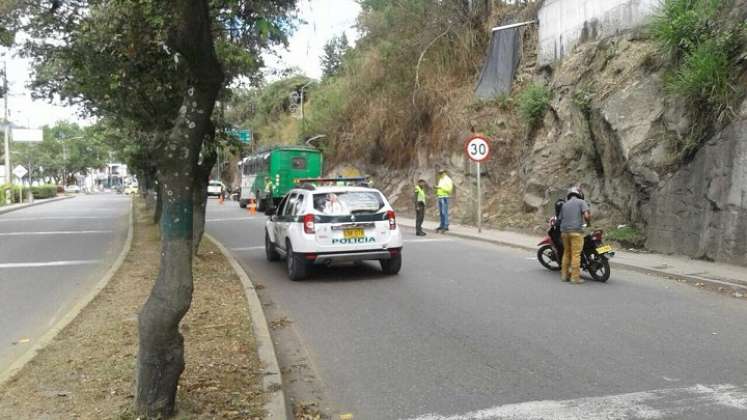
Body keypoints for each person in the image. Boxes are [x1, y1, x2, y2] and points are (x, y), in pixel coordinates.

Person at [558, 186, 591, 284]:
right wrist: (588, 222)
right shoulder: (581, 202)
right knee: (576, 254)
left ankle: (564, 276)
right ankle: (575, 278)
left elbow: (560, 219)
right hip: (576, 231)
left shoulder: (564, 205)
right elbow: (586, 215)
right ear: (579, 195)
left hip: (564, 232)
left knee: (566, 253)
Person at [435, 169, 453, 233]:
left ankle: (446, 225)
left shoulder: (448, 180)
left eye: (441, 173)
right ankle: (442, 225)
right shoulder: (441, 179)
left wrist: (440, 188)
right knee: (441, 213)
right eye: (439, 173)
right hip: (440, 197)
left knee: (444, 212)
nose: (440, 174)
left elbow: (449, 190)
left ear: (445, 173)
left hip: (444, 197)